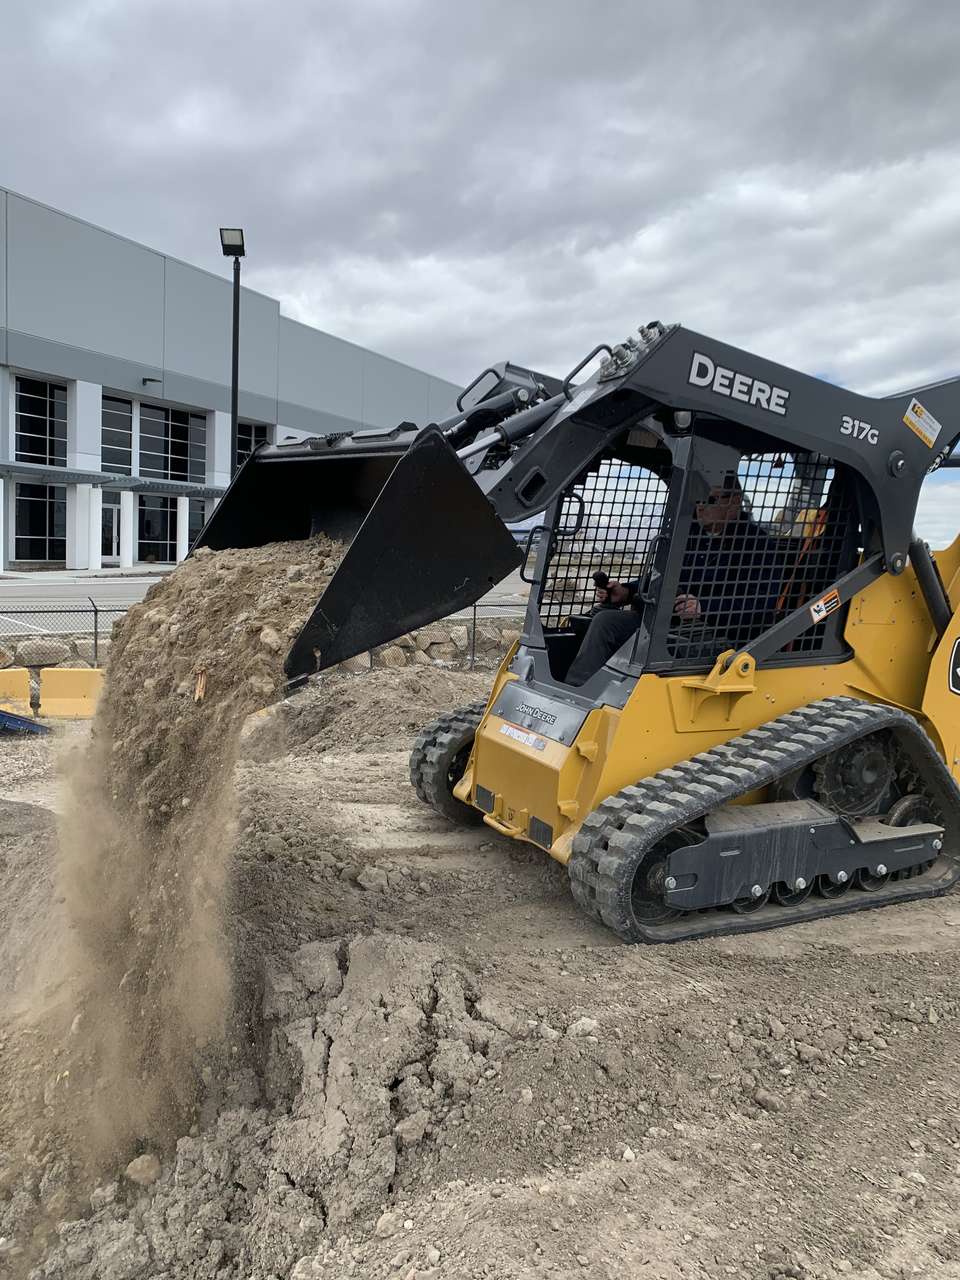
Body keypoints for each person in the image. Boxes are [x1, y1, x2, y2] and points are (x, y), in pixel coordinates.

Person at [564, 478, 786, 687]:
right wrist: (627, 592)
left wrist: (704, 607)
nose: (701, 506)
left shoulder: (759, 546)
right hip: (671, 623)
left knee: (649, 643)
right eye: (697, 500)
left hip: (720, 632)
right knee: (605, 620)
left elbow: (761, 601)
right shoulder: (690, 537)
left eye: (710, 500)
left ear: (734, 502)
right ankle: (575, 691)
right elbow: (663, 577)